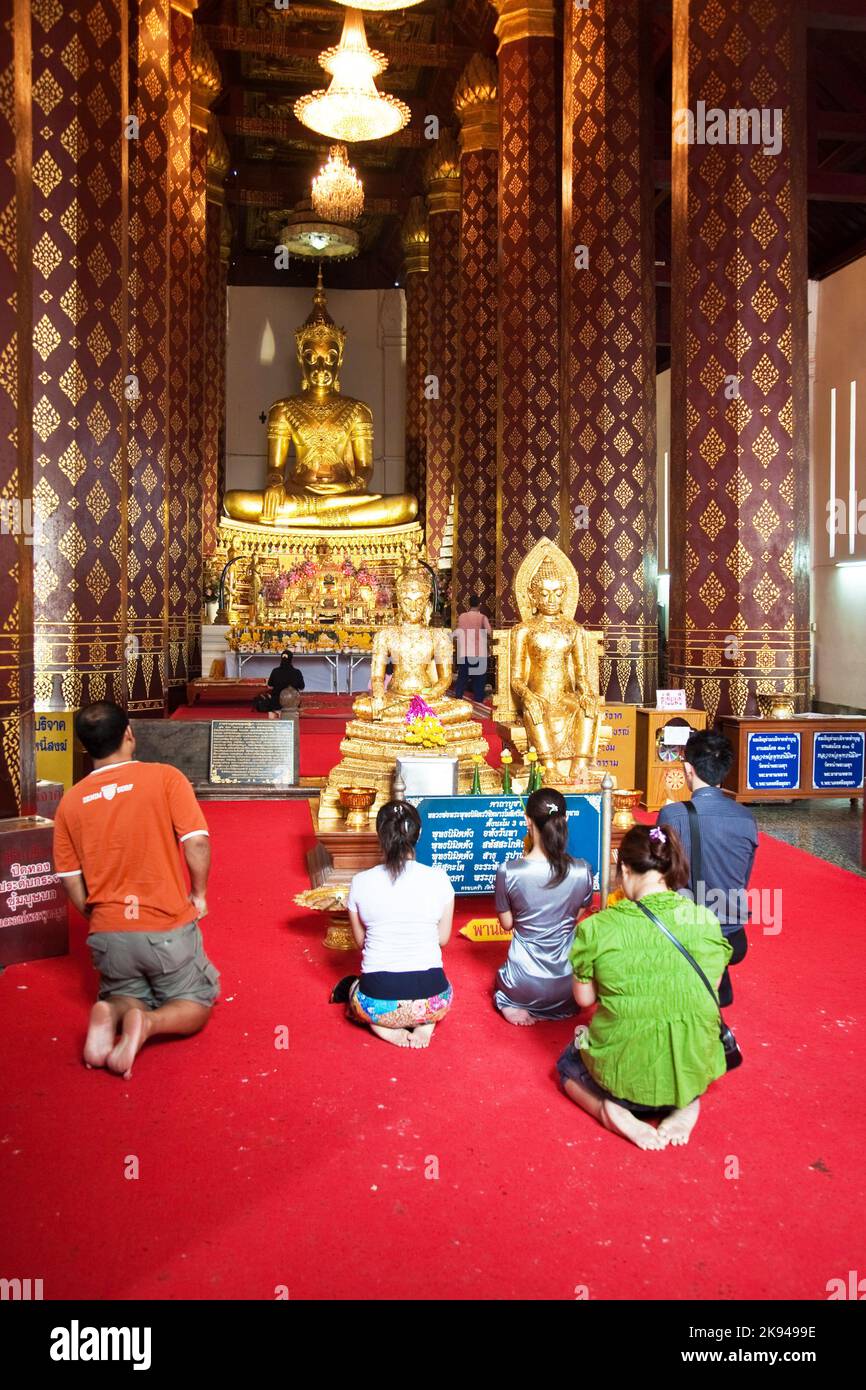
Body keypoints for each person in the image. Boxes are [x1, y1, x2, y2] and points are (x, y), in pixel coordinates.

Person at [52, 702, 219, 1080]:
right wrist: (199, 894)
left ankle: (113, 1012)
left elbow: (69, 876)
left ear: (84, 747)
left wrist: (96, 915)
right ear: (129, 733)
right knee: (195, 1002)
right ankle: (147, 1024)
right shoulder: (164, 777)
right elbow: (196, 843)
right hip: (163, 926)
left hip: (109, 933)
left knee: (126, 993)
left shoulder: (70, 802)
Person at [557, 824, 732, 1151]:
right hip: (688, 1067)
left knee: (567, 1066)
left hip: (621, 1080)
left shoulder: (598, 928)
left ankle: (608, 1110)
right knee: (683, 1043)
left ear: (624, 868)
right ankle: (686, 1101)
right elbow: (713, 986)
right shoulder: (704, 921)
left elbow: (583, 1000)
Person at [342, 801, 454, 1049]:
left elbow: (362, 942)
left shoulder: (361, 882)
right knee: (444, 991)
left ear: (380, 835)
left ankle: (383, 1026)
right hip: (433, 1000)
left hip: (377, 1003)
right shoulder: (440, 879)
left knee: (354, 992)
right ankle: (425, 1023)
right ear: (420, 833)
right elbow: (443, 939)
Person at [658, 729, 757, 1006]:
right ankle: (715, 972)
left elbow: (660, 877)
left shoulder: (672, 815)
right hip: (732, 934)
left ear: (688, 769)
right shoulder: (746, 818)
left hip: (685, 932)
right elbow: (742, 879)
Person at [493, 787, 593, 1025]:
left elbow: (507, 924)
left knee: (505, 982)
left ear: (527, 820)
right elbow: (576, 914)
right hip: (568, 987)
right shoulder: (582, 870)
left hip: (522, 983)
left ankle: (510, 1004)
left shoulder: (509, 871)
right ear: (565, 820)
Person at [454, 594, 491, 703]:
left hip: (464, 651)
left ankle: (458, 697)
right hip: (478, 652)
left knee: (462, 676)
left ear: (468, 604)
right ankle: (478, 700)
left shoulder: (461, 616)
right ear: (479, 605)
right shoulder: (482, 617)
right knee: (479, 678)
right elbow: (489, 632)